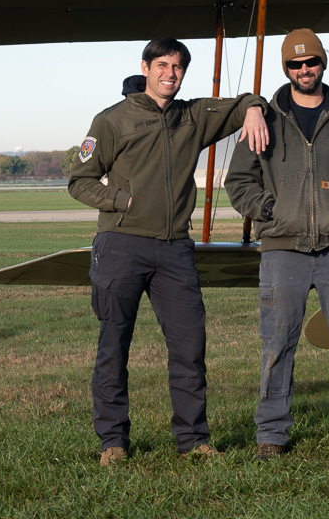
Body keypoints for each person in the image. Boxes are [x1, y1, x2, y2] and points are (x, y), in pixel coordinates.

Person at [69, 37, 270, 465]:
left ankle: (193, 439)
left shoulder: (192, 116)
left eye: (177, 66)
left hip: (175, 249)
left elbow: (241, 102)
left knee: (188, 345)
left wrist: (254, 107)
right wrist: (122, 201)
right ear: (145, 68)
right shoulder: (111, 120)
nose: (170, 73)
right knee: (114, 345)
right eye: (162, 65)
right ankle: (113, 442)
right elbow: (79, 180)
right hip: (121, 245)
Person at [225, 29, 329, 458]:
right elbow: (239, 181)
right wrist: (268, 211)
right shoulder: (261, 120)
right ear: (286, 69)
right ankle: (271, 435)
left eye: (311, 62)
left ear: (322, 64)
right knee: (276, 342)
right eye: (295, 65)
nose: (304, 70)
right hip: (283, 250)